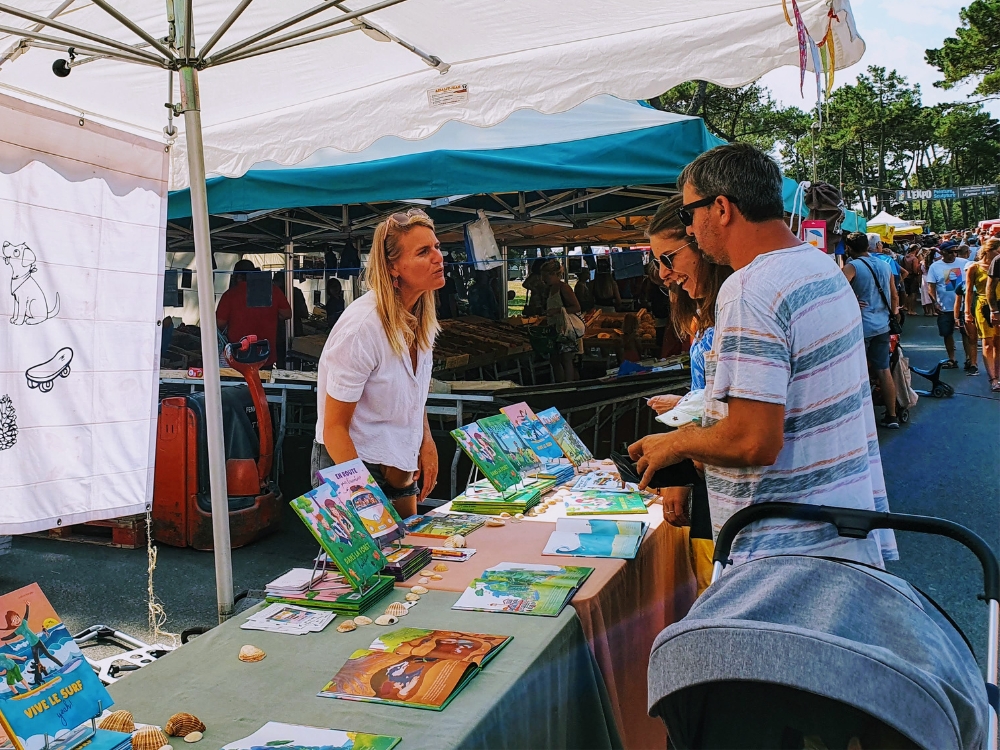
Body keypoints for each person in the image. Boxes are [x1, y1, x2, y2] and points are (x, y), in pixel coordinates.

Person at [629, 143, 896, 568]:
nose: (691, 230)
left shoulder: (750, 289)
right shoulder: (819, 264)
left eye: (688, 215)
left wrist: (676, 444)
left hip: (782, 546)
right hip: (836, 527)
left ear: (720, 208)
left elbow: (753, 440)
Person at [312, 208, 445, 519]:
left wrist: (425, 441)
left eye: (437, 247)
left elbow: (413, 393)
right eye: (423, 251)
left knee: (411, 558)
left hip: (398, 463)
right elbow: (334, 429)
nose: (438, 257)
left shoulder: (420, 318)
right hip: (348, 464)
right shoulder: (363, 327)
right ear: (392, 267)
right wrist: (363, 497)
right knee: (363, 566)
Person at [644, 194, 733, 595]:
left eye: (669, 258)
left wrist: (677, 454)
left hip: (721, 484)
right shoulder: (708, 313)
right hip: (707, 475)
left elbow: (734, 418)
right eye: (656, 262)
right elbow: (712, 399)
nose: (662, 274)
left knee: (717, 592)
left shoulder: (735, 310)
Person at [842, 232, 899, 429]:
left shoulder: (852, 267)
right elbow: (894, 295)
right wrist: (893, 315)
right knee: (883, 370)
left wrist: (851, 300)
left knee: (857, 371)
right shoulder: (885, 265)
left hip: (860, 326)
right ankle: (892, 415)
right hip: (882, 324)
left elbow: (836, 291)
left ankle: (859, 418)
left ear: (848, 248)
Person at [216, 259, 292, 369]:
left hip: (238, 354)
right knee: (263, 383)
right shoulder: (273, 290)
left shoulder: (230, 295)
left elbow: (220, 323)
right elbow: (287, 314)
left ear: (237, 276)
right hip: (265, 353)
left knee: (238, 385)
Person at [540, 259, 583, 382]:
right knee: (555, 359)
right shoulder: (550, 289)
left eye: (546, 276)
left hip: (565, 328)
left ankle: (568, 386)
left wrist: (557, 311)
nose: (543, 279)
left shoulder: (564, 288)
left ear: (554, 274)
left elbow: (577, 307)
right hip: (555, 327)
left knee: (566, 359)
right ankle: (559, 383)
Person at [925, 241, 966, 369]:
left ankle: (970, 360)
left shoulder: (964, 263)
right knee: (947, 334)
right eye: (950, 252)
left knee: (967, 333)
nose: (953, 254)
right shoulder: (935, 266)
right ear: (942, 252)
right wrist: (934, 302)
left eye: (956, 251)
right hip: (945, 307)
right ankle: (952, 359)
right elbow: (931, 286)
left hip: (963, 306)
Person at [968, 239, 1000, 391]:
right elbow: (968, 291)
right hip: (983, 305)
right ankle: (993, 378)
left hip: (999, 304)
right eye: (997, 251)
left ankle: (998, 375)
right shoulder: (975, 267)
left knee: (999, 342)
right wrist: (967, 312)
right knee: (987, 342)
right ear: (989, 250)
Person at [272, 271, 309, 369]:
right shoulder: (297, 292)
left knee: (281, 361)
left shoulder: (274, 294)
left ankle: (282, 380)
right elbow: (305, 313)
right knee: (295, 359)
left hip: (279, 333)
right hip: (295, 332)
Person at [902, 244, 922, 314]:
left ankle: (907, 307)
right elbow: (915, 270)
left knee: (907, 293)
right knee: (913, 293)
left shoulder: (905, 257)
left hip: (906, 276)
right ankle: (912, 310)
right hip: (913, 277)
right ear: (916, 250)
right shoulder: (914, 259)